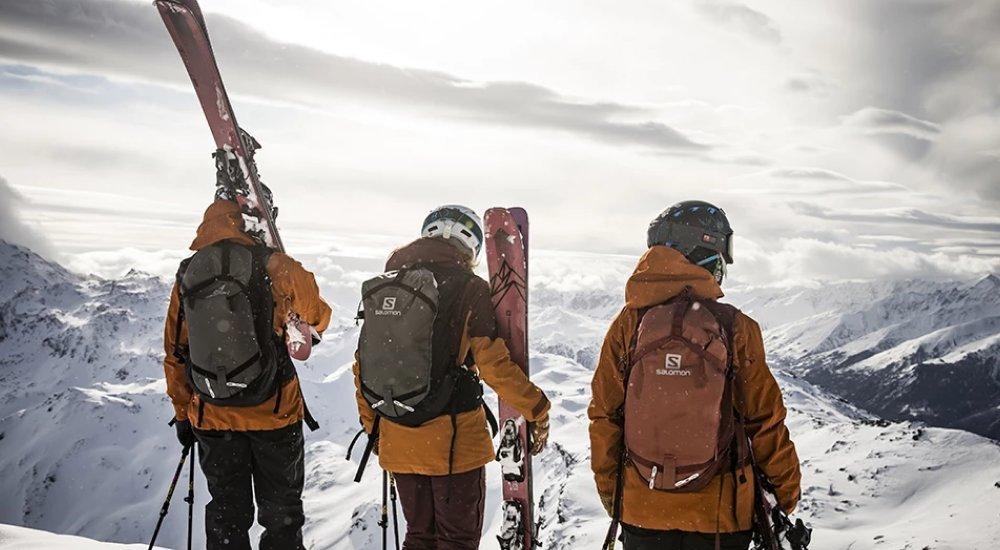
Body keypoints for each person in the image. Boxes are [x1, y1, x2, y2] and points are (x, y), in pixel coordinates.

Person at [589, 200, 801, 550]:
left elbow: (604, 415)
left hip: (643, 509)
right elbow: (765, 420)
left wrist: (618, 493)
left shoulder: (628, 324)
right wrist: (784, 494)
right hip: (721, 514)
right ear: (701, 253)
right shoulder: (736, 327)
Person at [352, 205, 550, 550]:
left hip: (399, 439)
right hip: (453, 445)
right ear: (470, 246)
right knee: (457, 541)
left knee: (419, 537)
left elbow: (364, 366)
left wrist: (375, 428)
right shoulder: (469, 288)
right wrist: (536, 407)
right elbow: (492, 365)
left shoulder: (388, 288)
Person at [162, 170, 332, 550]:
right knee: (281, 514)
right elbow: (317, 315)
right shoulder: (275, 265)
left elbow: (175, 350)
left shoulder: (190, 271)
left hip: (212, 413)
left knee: (226, 511)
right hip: (274, 411)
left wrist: (181, 413)